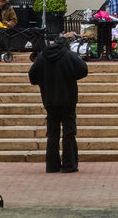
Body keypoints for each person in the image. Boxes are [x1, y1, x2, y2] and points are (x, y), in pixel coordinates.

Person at [28, 35, 88, 173]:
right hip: (68, 100)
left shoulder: (43, 56)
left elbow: (32, 75)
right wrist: (72, 75)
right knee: (69, 132)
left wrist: (43, 81)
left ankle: (52, 165)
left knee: (52, 133)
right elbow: (83, 69)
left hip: (50, 100)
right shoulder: (69, 55)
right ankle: (69, 165)